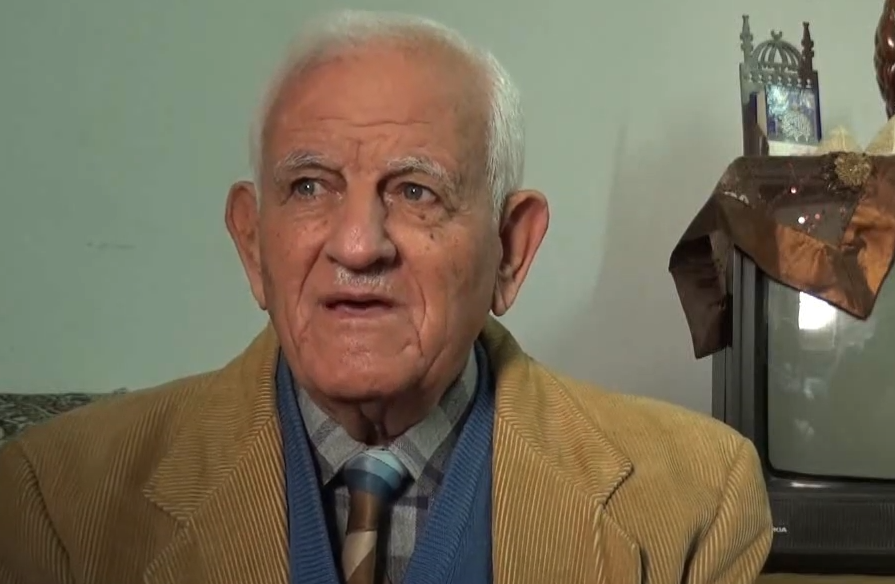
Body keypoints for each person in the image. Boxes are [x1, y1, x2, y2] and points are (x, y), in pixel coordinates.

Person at [0, 10, 772, 584]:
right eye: (310, 187)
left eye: (414, 191)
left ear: (511, 250)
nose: (358, 244)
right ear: (252, 243)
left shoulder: (695, 503)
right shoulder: (52, 500)